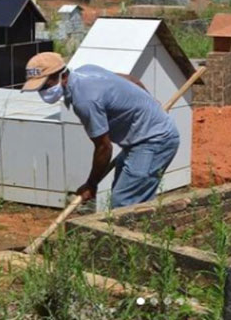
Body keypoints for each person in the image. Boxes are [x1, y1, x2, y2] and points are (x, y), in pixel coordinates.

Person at [22, 52, 180, 208]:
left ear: (62, 76)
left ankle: (134, 233)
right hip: (139, 140)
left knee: (123, 203)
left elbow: (104, 147)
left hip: (155, 141)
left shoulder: (85, 101)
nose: (42, 92)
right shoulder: (87, 71)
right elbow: (131, 80)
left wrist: (91, 184)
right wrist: (151, 103)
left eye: (45, 86)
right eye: (39, 88)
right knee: (127, 196)